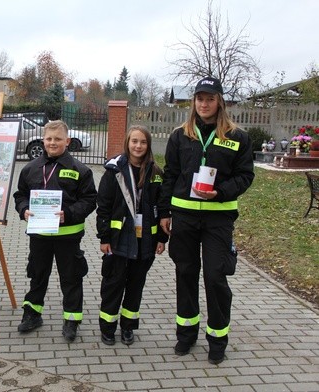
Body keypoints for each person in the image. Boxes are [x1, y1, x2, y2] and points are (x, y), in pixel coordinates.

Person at [158, 76, 254, 364]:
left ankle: (218, 339)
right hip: (184, 216)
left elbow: (245, 176)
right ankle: (186, 335)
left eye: (210, 98)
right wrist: (164, 212)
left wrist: (220, 192)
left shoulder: (237, 137)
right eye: (200, 98)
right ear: (194, 102)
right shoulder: (180, 135)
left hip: (218, 219)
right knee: (185, 274)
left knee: (215, 276)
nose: (204, 103)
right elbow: (170, 175)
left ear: (219, 101)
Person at [13, 120, 97, 342]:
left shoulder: (81, 171)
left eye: (58, 139)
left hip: (68, 237)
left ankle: (72, 320)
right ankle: (32, 314)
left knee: (71, 278)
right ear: (43, 140)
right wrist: (24, 210)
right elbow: (19, 196)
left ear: (67, 141)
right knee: (37, 275)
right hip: (39, 236)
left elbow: (89, 201)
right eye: (49, 138)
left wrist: (67, 214)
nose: (52, 143)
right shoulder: (30, 169)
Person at [96, 125, 168, 346]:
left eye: (143, 142)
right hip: (118, 240)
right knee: (113, 284)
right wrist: (104, 238)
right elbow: (104, 208)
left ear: (148, 145)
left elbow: (163, 208)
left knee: (136, 286)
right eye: (134, 141)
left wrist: (162, 240)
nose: (138, 146)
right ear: (127, 143)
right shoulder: (114, 171)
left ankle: (128, 327)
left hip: (145, 240)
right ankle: (107, 327)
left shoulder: (156, 174)